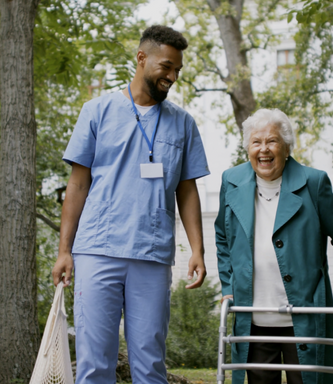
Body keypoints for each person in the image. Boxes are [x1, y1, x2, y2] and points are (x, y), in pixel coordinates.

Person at [51, 25, 210, 384]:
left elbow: (187, 190)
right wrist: (64, 251)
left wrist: (197, 249)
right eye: (166, 67)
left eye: (177, 71)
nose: (172, 77)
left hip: (151, 255)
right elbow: (77, 184)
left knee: (150, 363)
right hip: (97, 249)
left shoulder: (183, 123)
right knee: (94, 363)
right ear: (141, 58)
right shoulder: (97, 110)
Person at [215, 108, 333, 384]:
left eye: (272, 141)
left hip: (304, 318)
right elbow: (223, 237)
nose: (263, 150)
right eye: (256, 142)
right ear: (248, 148)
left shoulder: (313, 183)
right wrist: (229, 288)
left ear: (286, 147)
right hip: (253, 320)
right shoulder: (231, 182)